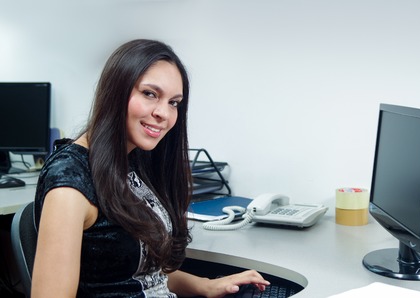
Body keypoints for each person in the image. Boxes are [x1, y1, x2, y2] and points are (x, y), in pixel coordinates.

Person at [32, 39, 270, 297]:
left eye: (174, 102)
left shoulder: (131, 159)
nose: (164, 114)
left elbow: (145, 276)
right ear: (116, 90)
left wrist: (207, 285)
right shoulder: (70, 182)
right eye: (150, 94)